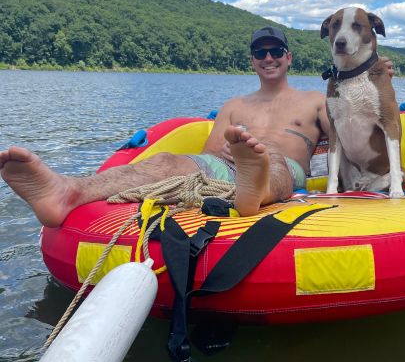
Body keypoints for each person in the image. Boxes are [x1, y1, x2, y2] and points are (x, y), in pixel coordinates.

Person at [0, 27, 332, 222]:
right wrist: (228, 156)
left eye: (276, 51)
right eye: (260, 53)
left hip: (283, 169)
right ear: (252, 61)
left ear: (289, 57)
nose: (268, 57)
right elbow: (207, 155)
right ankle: (69, 191)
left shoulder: (315, 100)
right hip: (227, 170)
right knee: (166, 162)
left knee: (268, 151)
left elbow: (350, 140)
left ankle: (256, 187)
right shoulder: (234, 105)